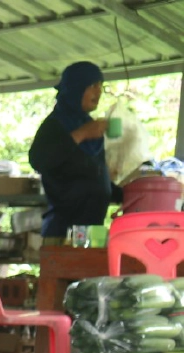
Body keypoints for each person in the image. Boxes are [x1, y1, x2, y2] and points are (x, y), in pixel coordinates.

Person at [29, 62, 122, 239]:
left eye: (100, 86)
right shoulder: (55, 125)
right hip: (64, 230)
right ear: (76, 88)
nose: (99, 91)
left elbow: (91, 179)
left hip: (92, 229)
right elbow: (39, 160)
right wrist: (81, 134)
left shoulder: (89, 126)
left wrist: (122, 193)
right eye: (93, 85)